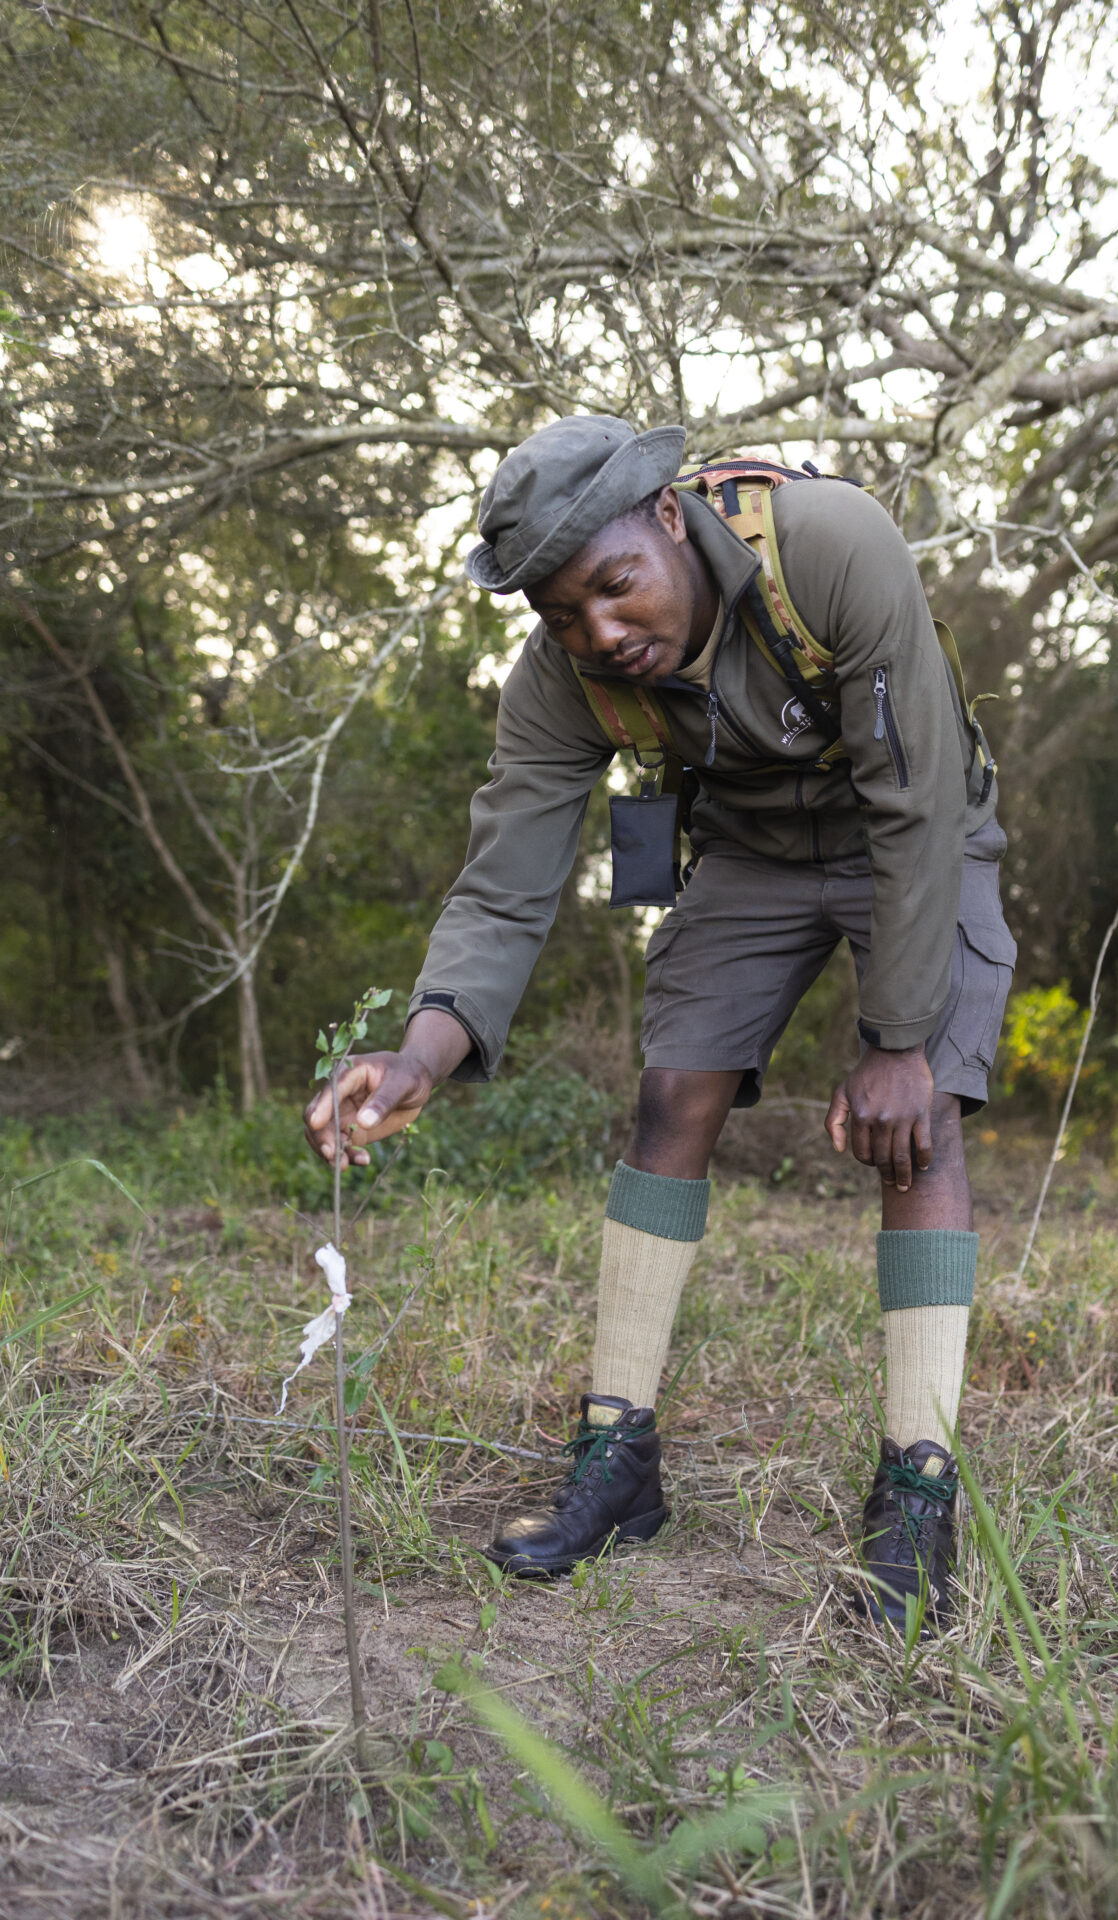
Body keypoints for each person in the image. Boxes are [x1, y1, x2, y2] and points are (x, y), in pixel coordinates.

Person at [303, 415, 1016, 1633]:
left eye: (614, 587)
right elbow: (506, 877)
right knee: (668, 1095)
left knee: (921, 1117)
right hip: (748, 851)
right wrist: (422, 1048)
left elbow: (915, 802)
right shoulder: (563, 677)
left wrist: (897, 1041)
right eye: (559, 614)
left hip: (913, 828)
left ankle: (916, 1489)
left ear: (671, 521)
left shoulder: (831, 548)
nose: (600, 634)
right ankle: (617, 1459)